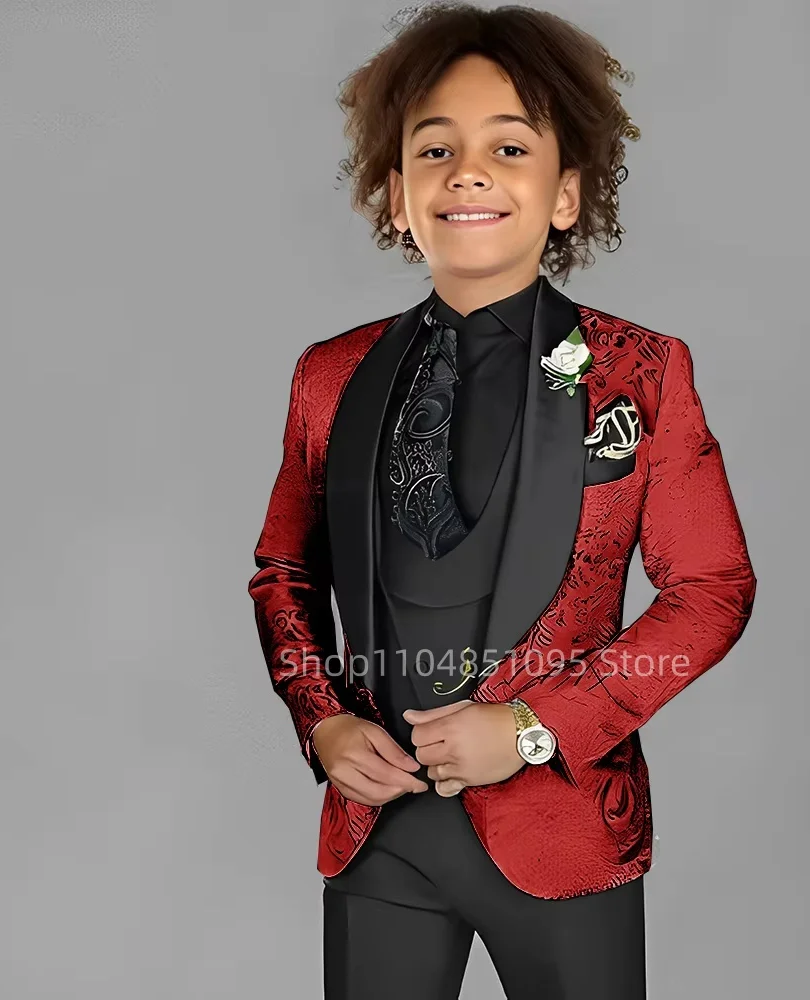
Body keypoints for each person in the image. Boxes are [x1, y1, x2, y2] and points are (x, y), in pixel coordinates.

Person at [247, 4, 756, 997]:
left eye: (508, 148)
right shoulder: (329, 376)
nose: (467, 172)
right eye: (435, 149)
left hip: (561, 832)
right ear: (396, 195)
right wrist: (322, 722)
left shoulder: (641, 373)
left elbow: (711, 590)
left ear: (565, 194)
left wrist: (530, 725)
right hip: (379, 836)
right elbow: (285, 570)